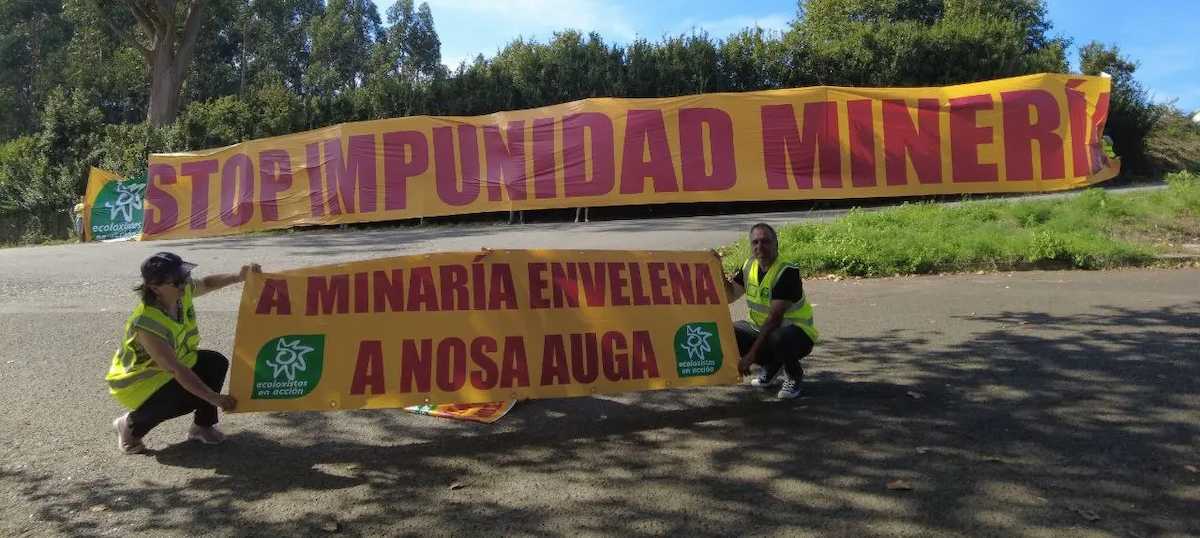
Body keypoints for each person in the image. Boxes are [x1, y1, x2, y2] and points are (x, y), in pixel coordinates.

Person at [106, 252, 261, 454]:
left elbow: (207, 283)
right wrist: (212, 397)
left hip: (170, 368)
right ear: (155, 287)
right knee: (188, 396)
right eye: (178, 281)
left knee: (215, 362)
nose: (185, 283)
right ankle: (130, 426)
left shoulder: (181, 291)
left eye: (185, 275)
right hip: (139, 383)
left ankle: (202, 427)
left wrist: (238, 277)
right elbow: (175, 369)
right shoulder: (147, 323)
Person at [720, 223, 819, 399]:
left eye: (765, 241)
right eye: (755, 242)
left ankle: (794, 376)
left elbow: (774, 319)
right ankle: (772, 366)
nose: (760, 247)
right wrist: (717, 269)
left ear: (776, 244)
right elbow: (730, 296)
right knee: (730, 331)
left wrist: (750, 356)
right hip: (764, 330)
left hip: (797, 334)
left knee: (777, 338)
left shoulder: (787, 271)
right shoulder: (749, 266)